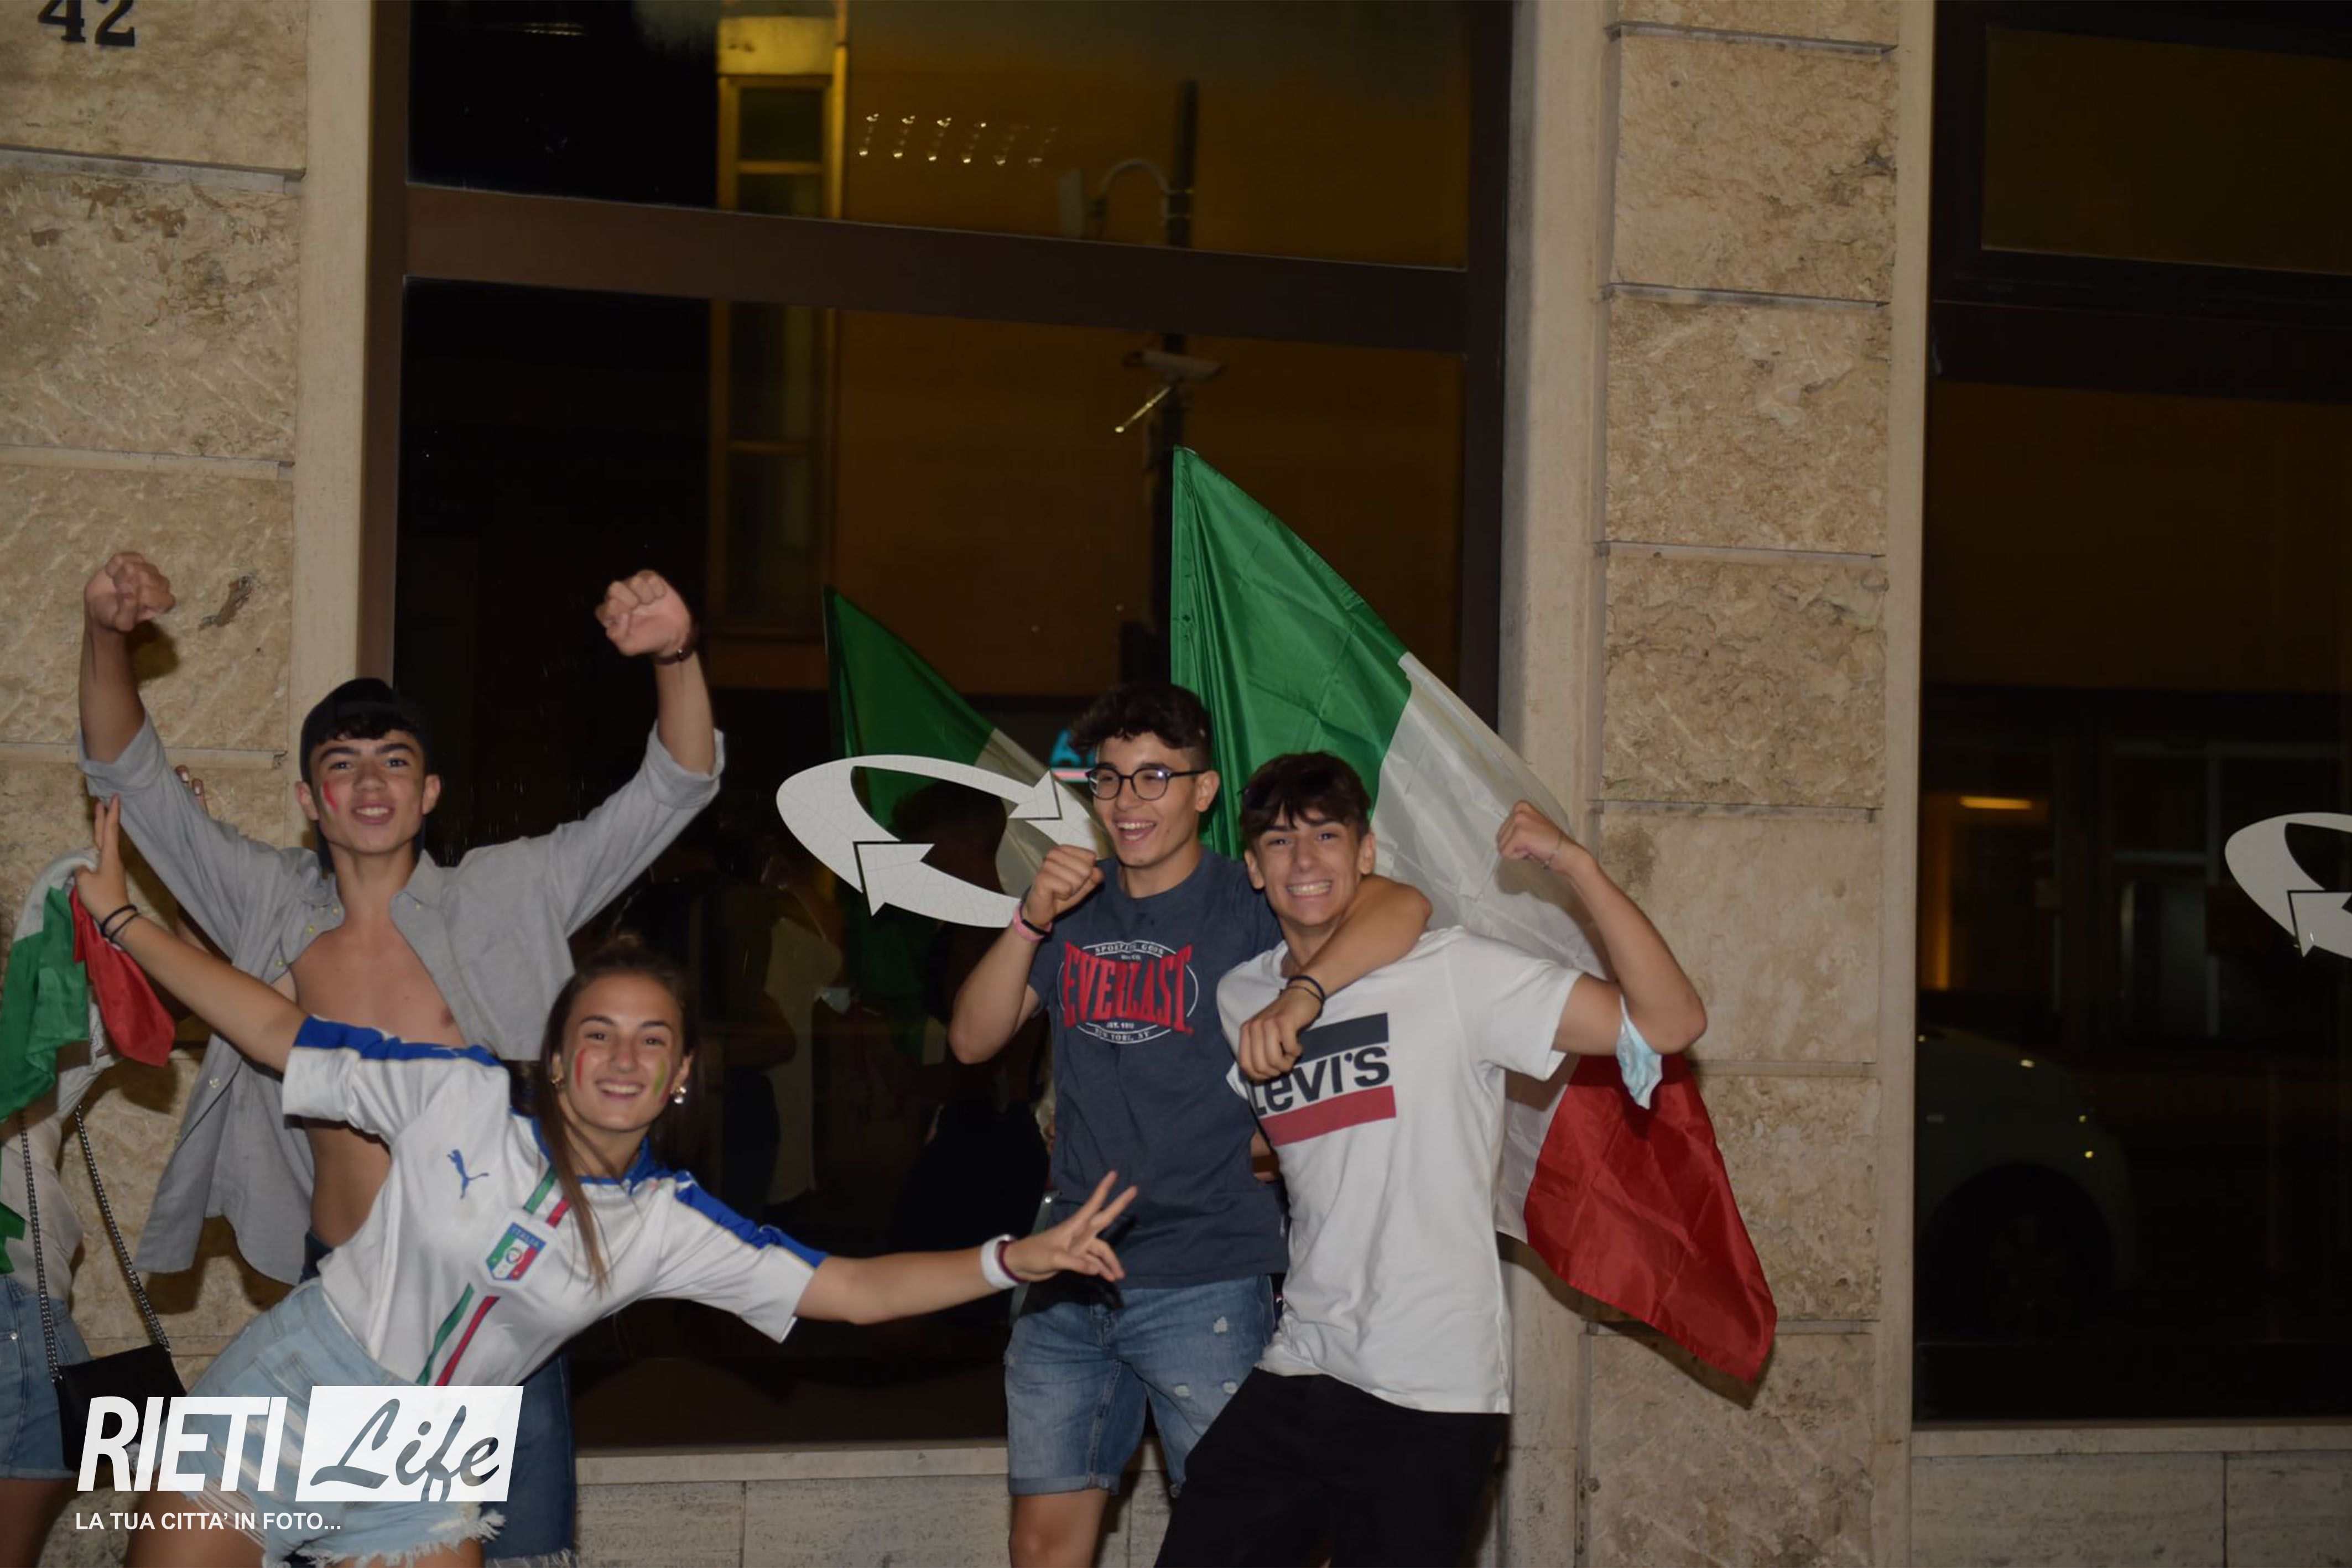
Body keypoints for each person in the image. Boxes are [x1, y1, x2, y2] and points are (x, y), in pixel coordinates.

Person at [69, 798, 1136, 1568]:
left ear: (681, 1076)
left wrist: (1013, 1258)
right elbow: (275, 1028)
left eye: (652, 1040)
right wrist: (123, 921)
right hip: (295, 1386)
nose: (624, 1058)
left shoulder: (665, 1224)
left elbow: (851, 1290)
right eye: (599, 1034)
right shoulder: (456, 1095)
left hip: (427, 1455)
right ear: (559, 1054)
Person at [77, 551, 722, 1565]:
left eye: (393, 761)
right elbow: (130, 773)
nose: (370, 781)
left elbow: (673, 787)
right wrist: (106, 634)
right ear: (310, 797)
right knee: (334, 1546)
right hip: (345, 1303)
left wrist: (675, 656)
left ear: (429, 793)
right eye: (343, 763)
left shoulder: (509, 892)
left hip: (496, 1298)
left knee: (514, 1553)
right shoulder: (267, 902)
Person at [1153, 754, 1707, 1568]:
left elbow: (1670, 1023)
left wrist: (1578, 866)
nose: (1303, 860)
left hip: (1432, 1386)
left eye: (1326, 836)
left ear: (1366, 853)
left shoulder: (1453, 971)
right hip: (1303, 1360)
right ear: (1255, 869)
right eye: (1279, 841)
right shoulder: (1244, 997)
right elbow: (1291, 1143)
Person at [946, 683, 1433, 1568]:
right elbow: (973, 1040)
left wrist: (1304, 991)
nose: (1128, 802)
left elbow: (1402, 908)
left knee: (1246, 1546)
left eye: (1155, 778)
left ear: (1203, 791)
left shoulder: (1245, 898)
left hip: (1206, 1275)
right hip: (1066, 1273)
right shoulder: (1074, 906)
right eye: (1111, 780)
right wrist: (1028, 918)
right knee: (1042, 1550)